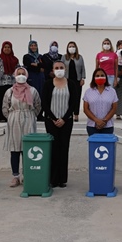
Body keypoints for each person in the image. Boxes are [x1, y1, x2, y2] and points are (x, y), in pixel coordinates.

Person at [2, 66, 42, 187]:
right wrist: (11, 117)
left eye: (22, 73)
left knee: (27, 149)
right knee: (15, 149)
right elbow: (5, 107)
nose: (20, 75)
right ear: (14, 75)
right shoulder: (10, 91)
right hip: (14, 119)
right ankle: (15, 176)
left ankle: (27, 174)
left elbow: (38, 105)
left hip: (29, 119)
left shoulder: (33, 90)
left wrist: (31, 115)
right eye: (18, 73)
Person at [42, 60, 79, 188]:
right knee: (53, 149)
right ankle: (53, 179)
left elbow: (73, 102)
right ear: (52, 70)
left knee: (63, 149)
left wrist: (64, 118)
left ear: (65, 69)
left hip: (66, 121)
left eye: (61, 67)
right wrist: (53, 118)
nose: (59, 69)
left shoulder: (71, 84)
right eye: (56, 68)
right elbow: (44, 103)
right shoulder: (48, 84)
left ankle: (62, 179)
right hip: (51, 121)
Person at [83, 68, 118, 135]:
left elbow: (114, 108)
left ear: (106, 77)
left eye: (102, 75)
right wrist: (96, 120)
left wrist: (104, 121)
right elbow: (86, 109)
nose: (100, 77)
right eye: (97, 76)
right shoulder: (88, 92)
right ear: (94, 78)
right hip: (92, 126)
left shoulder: (112, 91)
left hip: (108, 126)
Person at [0, 41, 18, 122]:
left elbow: (17, 70)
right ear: (2, 48)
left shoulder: (15, 59)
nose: (7, 49)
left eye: (8, 47)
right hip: (0, 83)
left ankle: (9, 116)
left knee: (10, 100)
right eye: (5, 47)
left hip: (11, 83)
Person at [62, 41, 86, 122]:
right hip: (67, 80)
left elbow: (83, 68)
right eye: (70, 46)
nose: (71, 48)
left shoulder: (79, 57)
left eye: (73, 46)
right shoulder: (64, 57)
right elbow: (61, 67)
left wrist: (83, 78)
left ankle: (76, 114)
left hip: (77, 80)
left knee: (76, 97)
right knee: (67, 97)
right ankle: (68, 113)